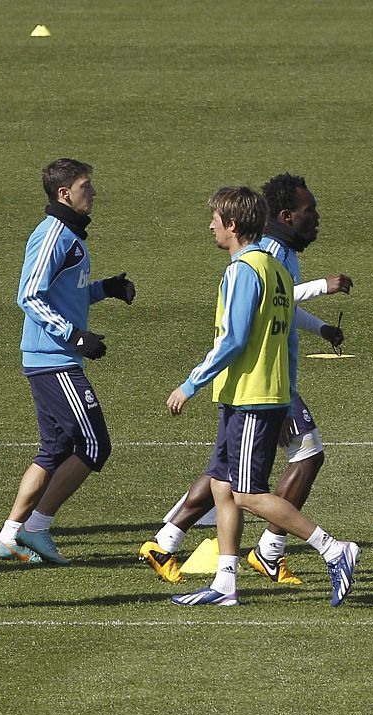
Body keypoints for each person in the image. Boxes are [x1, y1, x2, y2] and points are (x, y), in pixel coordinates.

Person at [139, 173, 349, 585]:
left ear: (232, 224)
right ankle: (241, 570)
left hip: (255, 389)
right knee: (231, 481)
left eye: (215, 219)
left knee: (237, 485)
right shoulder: (270, 262)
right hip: (256, 388)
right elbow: (259, 333)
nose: (211, 226)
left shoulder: (252, 266)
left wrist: (190, 383)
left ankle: (318, 551)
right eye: (311, 210)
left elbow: (243, 332)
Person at [0, 159, 134, 565]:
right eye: (86, 186)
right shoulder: (52, 235)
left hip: (55, 356)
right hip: (53, 358)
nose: (94, 193)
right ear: (64, 194)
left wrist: (105, 289)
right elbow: (29, 296)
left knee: (54, 449)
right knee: (93, 444)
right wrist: (76, 336)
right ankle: (36, 528)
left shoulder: (71, 236)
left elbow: (62, 298)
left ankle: (8, 536)